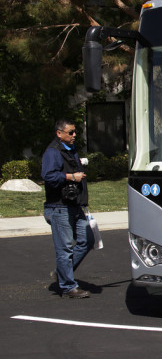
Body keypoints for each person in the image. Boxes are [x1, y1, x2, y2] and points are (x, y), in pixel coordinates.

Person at [42, 118, 94, 298]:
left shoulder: (70, 151)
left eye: (74, 132)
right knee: (64, 248)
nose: (74, 135)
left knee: (87, 240)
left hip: (74, 206)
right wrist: (72, 177)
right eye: (70, 132)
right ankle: (68, 286)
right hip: (59, 207)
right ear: (59, 133)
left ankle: (62, 272)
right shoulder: (53, 152)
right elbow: (48, 176)